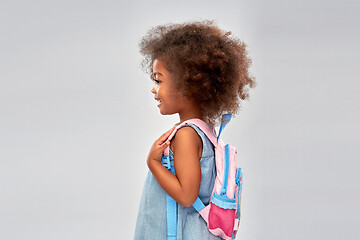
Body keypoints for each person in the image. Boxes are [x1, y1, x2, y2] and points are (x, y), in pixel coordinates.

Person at [134, 20, 255, 240]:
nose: (153, 89)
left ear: (187, 84)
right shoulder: (205, 132)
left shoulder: (187, 135)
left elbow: (187, 196)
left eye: (158, 80)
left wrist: (152, 162)